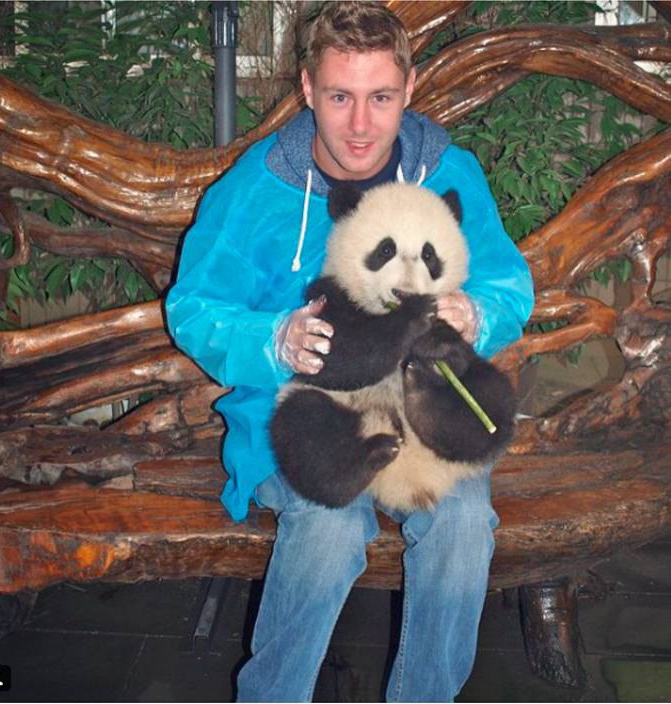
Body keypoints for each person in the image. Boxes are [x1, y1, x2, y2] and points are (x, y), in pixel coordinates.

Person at [165, 2, 534, 701]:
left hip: (424, 414)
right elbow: (193, 307)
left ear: (409, 88)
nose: (361, 125)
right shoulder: (257, 186)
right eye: (340, 97)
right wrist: (272, 339)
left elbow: (507, 281)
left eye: (381, 98)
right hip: (297, 416)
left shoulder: (447, 174)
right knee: (330, 530)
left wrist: (478, 313)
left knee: (463, 523)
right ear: (307, 88)